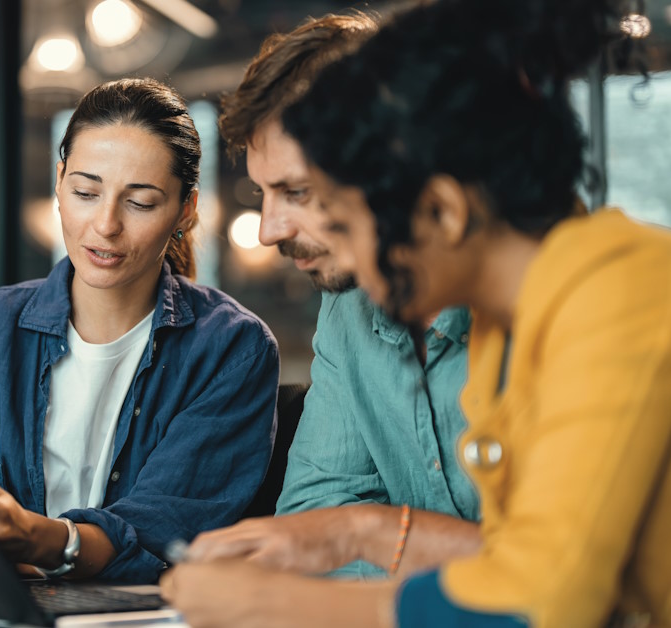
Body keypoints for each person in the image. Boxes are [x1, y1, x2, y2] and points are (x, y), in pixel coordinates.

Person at [162, 0, 671, 625]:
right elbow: (509, 559)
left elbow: (534, 605)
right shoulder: (514, 328)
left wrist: (274, 603)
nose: (357, 272)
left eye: (350, 223)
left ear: (444, 212)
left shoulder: (624, 291)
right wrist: (342, 535)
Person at [0, 78, 280, 585]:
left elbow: (164, 534)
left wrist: (39, 539)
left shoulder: (231, 348)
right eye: (86, 191)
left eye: (142, 203)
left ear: (185, 210)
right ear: (59, 183)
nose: (105, 225)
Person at [186, 13, 480, 580]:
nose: (268, 230)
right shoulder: (349, 309)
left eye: (297, 191)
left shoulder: (552, 306)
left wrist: (364, 534)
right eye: (262, 192)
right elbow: (309, 522)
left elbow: (552, 577)